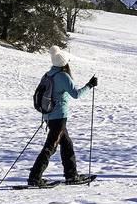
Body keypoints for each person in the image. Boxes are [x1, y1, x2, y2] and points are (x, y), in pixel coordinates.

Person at [28, 47, 98, 187]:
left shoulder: (47, 75)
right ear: (65, 63)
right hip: (59, 116)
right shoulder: (63, 76)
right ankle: (34, 178)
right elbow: (76, 94)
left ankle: (71, 175)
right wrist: (89, 85)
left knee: (67, 145)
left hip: (48, 115)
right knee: (50, 147)